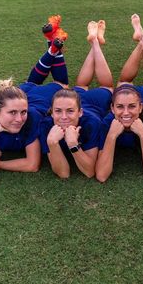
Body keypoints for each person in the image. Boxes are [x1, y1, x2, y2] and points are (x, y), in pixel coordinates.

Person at [0, 15, 69, 184]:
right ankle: (53, 44)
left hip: (37, 99)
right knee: (30, 82)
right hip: (21, 95)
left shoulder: (31, 117)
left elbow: (32, 164)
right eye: (12, 113)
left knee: (62, 85)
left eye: (22, 112)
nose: (19, 118)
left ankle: (53, 46)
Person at [40, 20, 113, 179]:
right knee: (81, 85)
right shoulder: (46, 125)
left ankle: (95, 41)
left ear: (80, 113)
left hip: (94, 103)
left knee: (106, 87)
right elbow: (63, 173)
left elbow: (89, 172)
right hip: (72, 98)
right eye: (58, 111)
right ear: (51, 113)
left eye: (70, 112)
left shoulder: (91, 122)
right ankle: (94, 40)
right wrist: (52, 143)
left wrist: (73, 145)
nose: (64, 117)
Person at [95, 15, 143, 182]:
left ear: (140, 107)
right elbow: (101, 176)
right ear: (112, 108)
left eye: (132, 107)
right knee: (127, 83)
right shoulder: (107, 122)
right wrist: (111, 136)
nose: (125, 113)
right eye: (119, 107)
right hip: (128, 96)